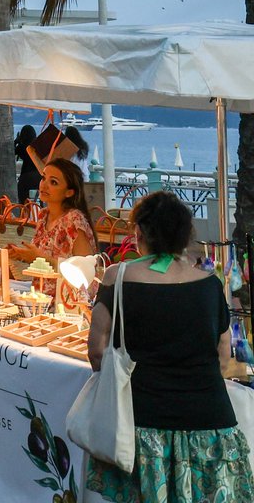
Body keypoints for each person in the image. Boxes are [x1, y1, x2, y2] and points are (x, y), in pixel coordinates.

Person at [86, 191, 254, 501]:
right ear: (185, 235)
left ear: (138, 232)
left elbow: (97, 352)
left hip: (141, 426)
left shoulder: (116, 278)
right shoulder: (210, 284)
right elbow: (223, 356)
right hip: (210, 422)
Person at [9, 158, 95, 296]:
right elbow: (40, 257)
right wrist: (21, 255)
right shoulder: (43, 216)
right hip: (39, 298)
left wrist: (40, 258)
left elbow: (86, 272)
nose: (44, 185)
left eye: (53, 182)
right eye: (43, 178)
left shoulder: (74, 220)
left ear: (69, 192)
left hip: (67, 302)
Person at [14, 124, 41, 203]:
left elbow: (11, 152)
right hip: (40, 176)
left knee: (22, 195)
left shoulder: (22, 147)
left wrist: (16, 141)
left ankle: (24, 209)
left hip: (27, 176)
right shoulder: (37, 145)